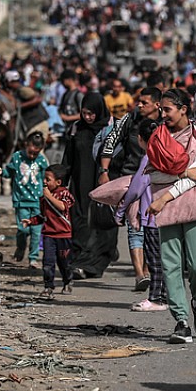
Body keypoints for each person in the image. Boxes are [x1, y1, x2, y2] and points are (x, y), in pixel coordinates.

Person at [146, 89, 196, 344]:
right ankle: (182, 321)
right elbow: (154, 175)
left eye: (167, 110)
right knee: (171, 267)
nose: (162, 115)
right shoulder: (158, 138)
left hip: (195, 205)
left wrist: (164, 195)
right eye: (161, 110)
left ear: (184, 109)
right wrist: (186, 173)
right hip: (167, 210)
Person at [97, 87, 163, 291]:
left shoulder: (167, 122)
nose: (139, 105)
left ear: (157, 105)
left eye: (144, 102)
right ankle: (139, 275)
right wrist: (104, 169)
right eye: (139, 102)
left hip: (158, 180)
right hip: (131, 178)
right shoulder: (128, 120)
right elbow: (110, 141)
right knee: (135, 226)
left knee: (154, 226)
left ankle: (149, 270)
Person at [63, 92, 119, 279]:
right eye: (84, 113)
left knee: (102, 221)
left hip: (105, 181)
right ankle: (79, 259)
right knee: (78, 219)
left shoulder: (113, 128)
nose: (88, 117)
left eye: (91, 114)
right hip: (80, 182)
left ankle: (96, 262)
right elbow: (68, 160)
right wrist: (60, 184)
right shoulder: (76, 129)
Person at [115, 118, 168, 312]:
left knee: (154, 259)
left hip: (152, 215)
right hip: (170, 215)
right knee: (167, 259)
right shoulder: (168, 155)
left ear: (140, 139)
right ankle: (167, 296)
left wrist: (121, 209)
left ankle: (157, 298)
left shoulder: (148, 158)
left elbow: (137, 188)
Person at [21, 164, 75, 299]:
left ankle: (67, 281)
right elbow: (43, 216)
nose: (44, 182)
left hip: (63, 235)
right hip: (49, 235)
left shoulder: (64, 194)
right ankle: (48, 287)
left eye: (48, 179)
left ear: (58, 182)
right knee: (48, 263)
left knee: (65, 263)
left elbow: (62, 207)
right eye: (44, 179)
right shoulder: (44, 198)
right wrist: (31, 221)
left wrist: (49, 196)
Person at [0, 131, 49, 268]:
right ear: (26, 145)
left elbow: (45, 179)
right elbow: (9, 172)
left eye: (35, 153)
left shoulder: (42, 161)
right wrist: (2, 172)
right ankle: (21, 248)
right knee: (23, 229)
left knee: (36, 231)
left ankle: (33, 258)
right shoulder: (17, 157)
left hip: (37, 201)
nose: (32, 156)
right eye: (30, 152)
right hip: (21, 201)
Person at [6, 69, 49, 139]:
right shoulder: (15, 92)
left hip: (37, 123)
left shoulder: (22, 90)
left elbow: (38, 99)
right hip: (32, 124)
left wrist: (20, 106)